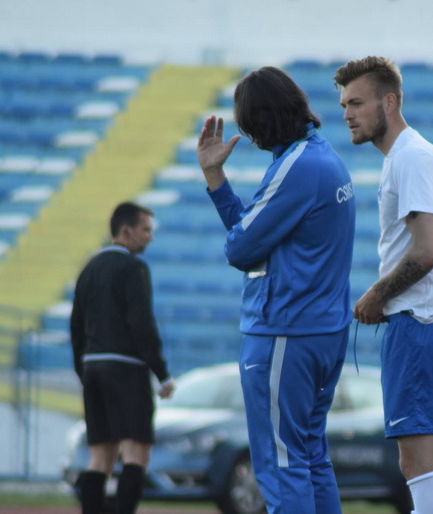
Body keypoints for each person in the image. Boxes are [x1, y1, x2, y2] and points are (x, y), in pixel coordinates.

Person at [195, 66, 355, 514]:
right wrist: (215, 177)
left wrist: (217, 185)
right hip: (321, 330)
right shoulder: (324, 158)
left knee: (282, 465)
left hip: (286, 330)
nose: (251, 137)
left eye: (250, 127)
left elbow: (240, 248)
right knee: (309, 458)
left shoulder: (296, 167)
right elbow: (255, 237)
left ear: (263, 120)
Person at [334, 56, 433, 514]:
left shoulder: (410, 157)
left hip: (421, 323)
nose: (347, 113)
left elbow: (428, 250)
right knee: (423, 462)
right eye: (344, 104)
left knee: (418, 464)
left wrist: (378, 293)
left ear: (389, 102)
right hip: (432, 321)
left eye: (357, 102)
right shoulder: (408, 155)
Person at [70, 202, 176, 514]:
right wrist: (162, 373)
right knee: (136, 454)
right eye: (146, 230)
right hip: (126, 368)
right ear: (126, 231)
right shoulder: (133, 268)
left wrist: (84, 368)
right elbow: (141, 323)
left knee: (100, 458)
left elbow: (76, 326)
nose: (150, 237)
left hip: (92, 366)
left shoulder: (87, 269)